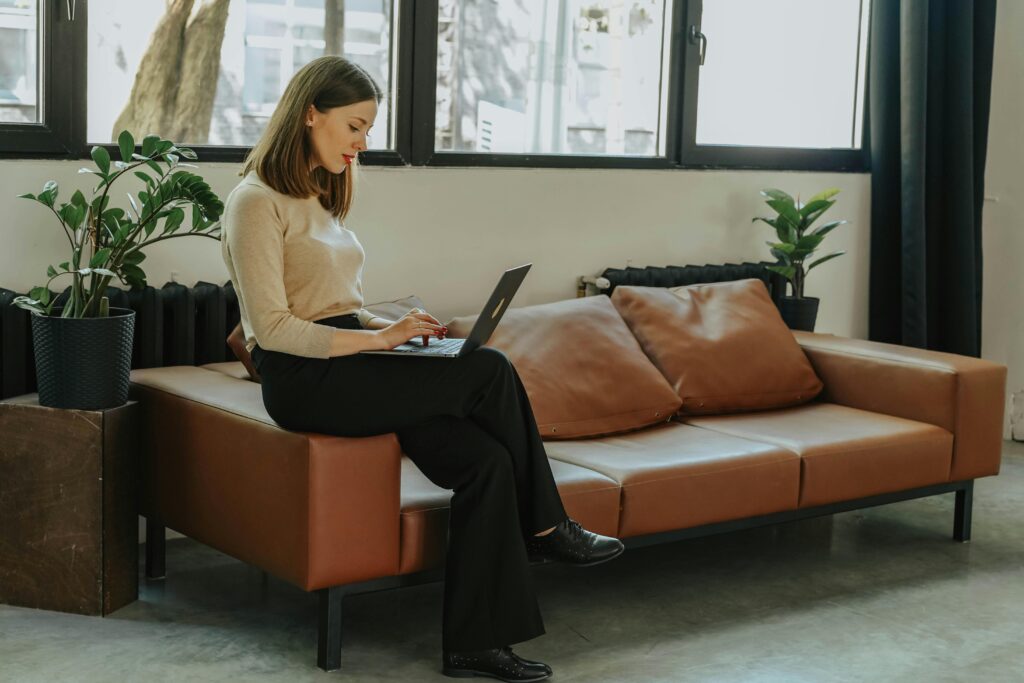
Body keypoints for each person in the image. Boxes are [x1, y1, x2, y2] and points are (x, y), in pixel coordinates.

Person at [221, 55, 624, 682]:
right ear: (309, 114)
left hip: (349, 365)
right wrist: (382, 349)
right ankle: (547, 525)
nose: (361, 144)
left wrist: (395, 332)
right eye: (353, 127)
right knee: (487, 369)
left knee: (486, 463)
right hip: (304, 381)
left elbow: (337, 310)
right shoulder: (254, 201)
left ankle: (475, 644)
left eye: (367, 131)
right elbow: (272, 329)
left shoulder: (319, 195)